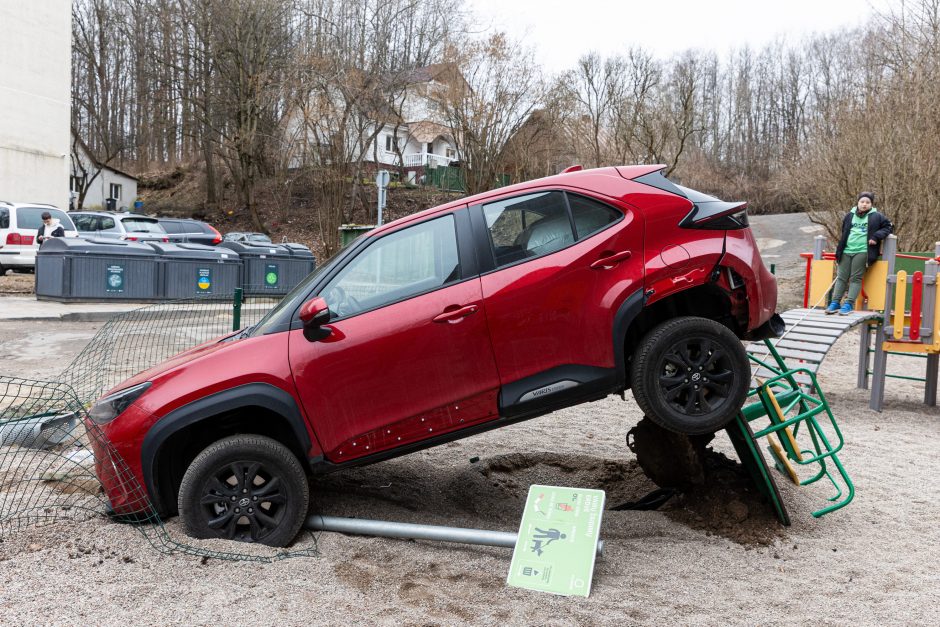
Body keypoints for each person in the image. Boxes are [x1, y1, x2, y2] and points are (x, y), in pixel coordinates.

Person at [825, 192, 893, 315]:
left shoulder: (877, 216)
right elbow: (844, 232)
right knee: (841, 277)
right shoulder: (849, 215)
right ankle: (835, 303)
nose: (864, 204)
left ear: (871, 204)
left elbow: (888, 227)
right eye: (862, 202)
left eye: (867, 202)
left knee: (855, 278)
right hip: (846, 250)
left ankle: (849, 304)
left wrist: (876, 236)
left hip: (863, 251)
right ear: (858, 203)